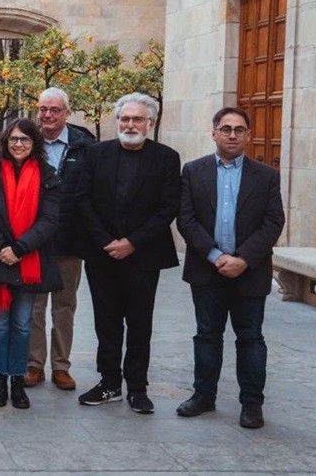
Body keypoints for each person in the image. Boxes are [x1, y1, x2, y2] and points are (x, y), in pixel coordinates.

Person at [176, 107, 284, 430]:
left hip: (249, 272)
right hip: (206, 271)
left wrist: (243, 259)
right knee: (207, 335)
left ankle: (252, 404)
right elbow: (186, 219)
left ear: (248, 135)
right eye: (226, 129)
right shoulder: (193, 171)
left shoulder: (266, 176)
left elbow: (273, 222)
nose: (233, 135)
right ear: (214, 133)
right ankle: (203, 396)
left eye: (239, 129)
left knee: (250, 338)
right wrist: (213, 255)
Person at [77, 93, 181, 414]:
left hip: (143, 256)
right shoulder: (96, 154)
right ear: (117, 121)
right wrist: (106, 241)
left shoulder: (166, 157)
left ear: (150, 123)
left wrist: (132, 242)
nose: (130, 124)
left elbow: (168, 208)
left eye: (137, 119)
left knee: (139, 324)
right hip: (101, 254)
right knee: (106, 323)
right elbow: (82, 200)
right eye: (125, 119)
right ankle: (109, 383)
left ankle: (137, 387)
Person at [0, 118, 63, 409]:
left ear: (35, 144)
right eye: (13, 139)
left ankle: (18, 382)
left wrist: (20, 247)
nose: (18, 144)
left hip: (29, 259)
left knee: (22, 325)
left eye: (25, 139)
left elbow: (49, 220)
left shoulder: (49, 176)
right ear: (5, 142)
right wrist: (0, 246)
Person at [25, 87, 96, 391]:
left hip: (69, 240)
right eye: (43, 109)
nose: (48, 115)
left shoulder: (85, 146)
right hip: (33, 241)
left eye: (55, 110)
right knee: (34, 306)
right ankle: (33, 365)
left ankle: (61, 366)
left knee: (64, 306)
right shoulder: (24, 141)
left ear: (67, 112)